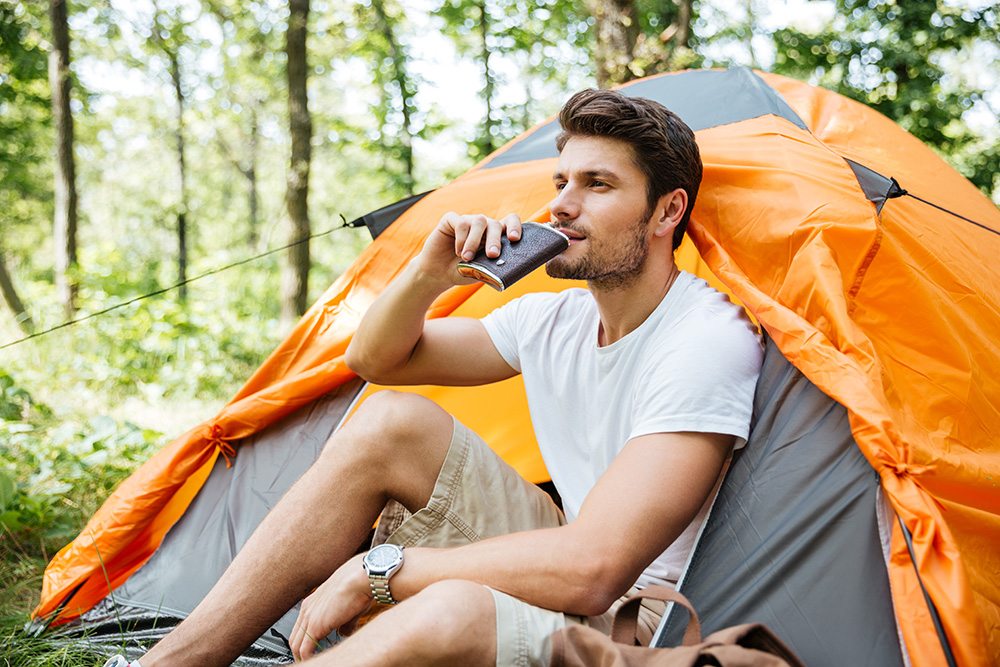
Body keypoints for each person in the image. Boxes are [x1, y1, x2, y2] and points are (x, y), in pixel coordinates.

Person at [103, 88, 763, 667]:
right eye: (560, 182)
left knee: (446, 607)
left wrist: (381, 571)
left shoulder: (703, 340)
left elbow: (595, 569)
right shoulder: (553, 319)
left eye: (597, 184)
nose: (561, 205)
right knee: (392, 419)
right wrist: (427, 273)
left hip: (643, 616)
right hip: (567, 547)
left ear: (667, 212)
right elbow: (378, 359)